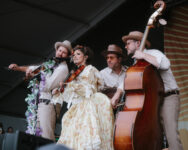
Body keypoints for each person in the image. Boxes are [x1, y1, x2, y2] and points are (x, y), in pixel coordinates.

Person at [122, 31, 183, 150]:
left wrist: (144, 55)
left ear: (138, 43)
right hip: (154, 101)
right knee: (155, 135)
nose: (125, 46)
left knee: (171, 134)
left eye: (128, 43)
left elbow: (165, 65)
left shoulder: (153, 53)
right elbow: (126, 81)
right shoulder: (136, 63)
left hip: (168, 97)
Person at [8, 40, 72, 141]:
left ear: (67, 56)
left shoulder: (63, 68)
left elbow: (47, 86)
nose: (60, 53)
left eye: (64, 52)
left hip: (48, 105)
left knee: (46, 137)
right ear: (56, 50)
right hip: (38, 103)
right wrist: (18, 68)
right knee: (35, 136)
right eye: (59, 50)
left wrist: (35, 75)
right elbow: (34, 68)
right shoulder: (50, 64)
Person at [56, 45, 114, 150]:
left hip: (87, 107)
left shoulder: (90, 69)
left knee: (85, 137)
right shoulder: (75, 73)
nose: (75, 57)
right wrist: (61, 89)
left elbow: (88, 90)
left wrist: (71, 85)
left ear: (86, 57)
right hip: (76, 107)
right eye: (73, 55)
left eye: (78, 54)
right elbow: (71, 95)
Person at [100, 44, 126, 109]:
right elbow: (98, 94)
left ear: (119, 59)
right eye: (107, 58)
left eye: (111, 58)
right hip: (110, 109)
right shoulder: (102, 74)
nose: (108, 60)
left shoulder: (129, 72)